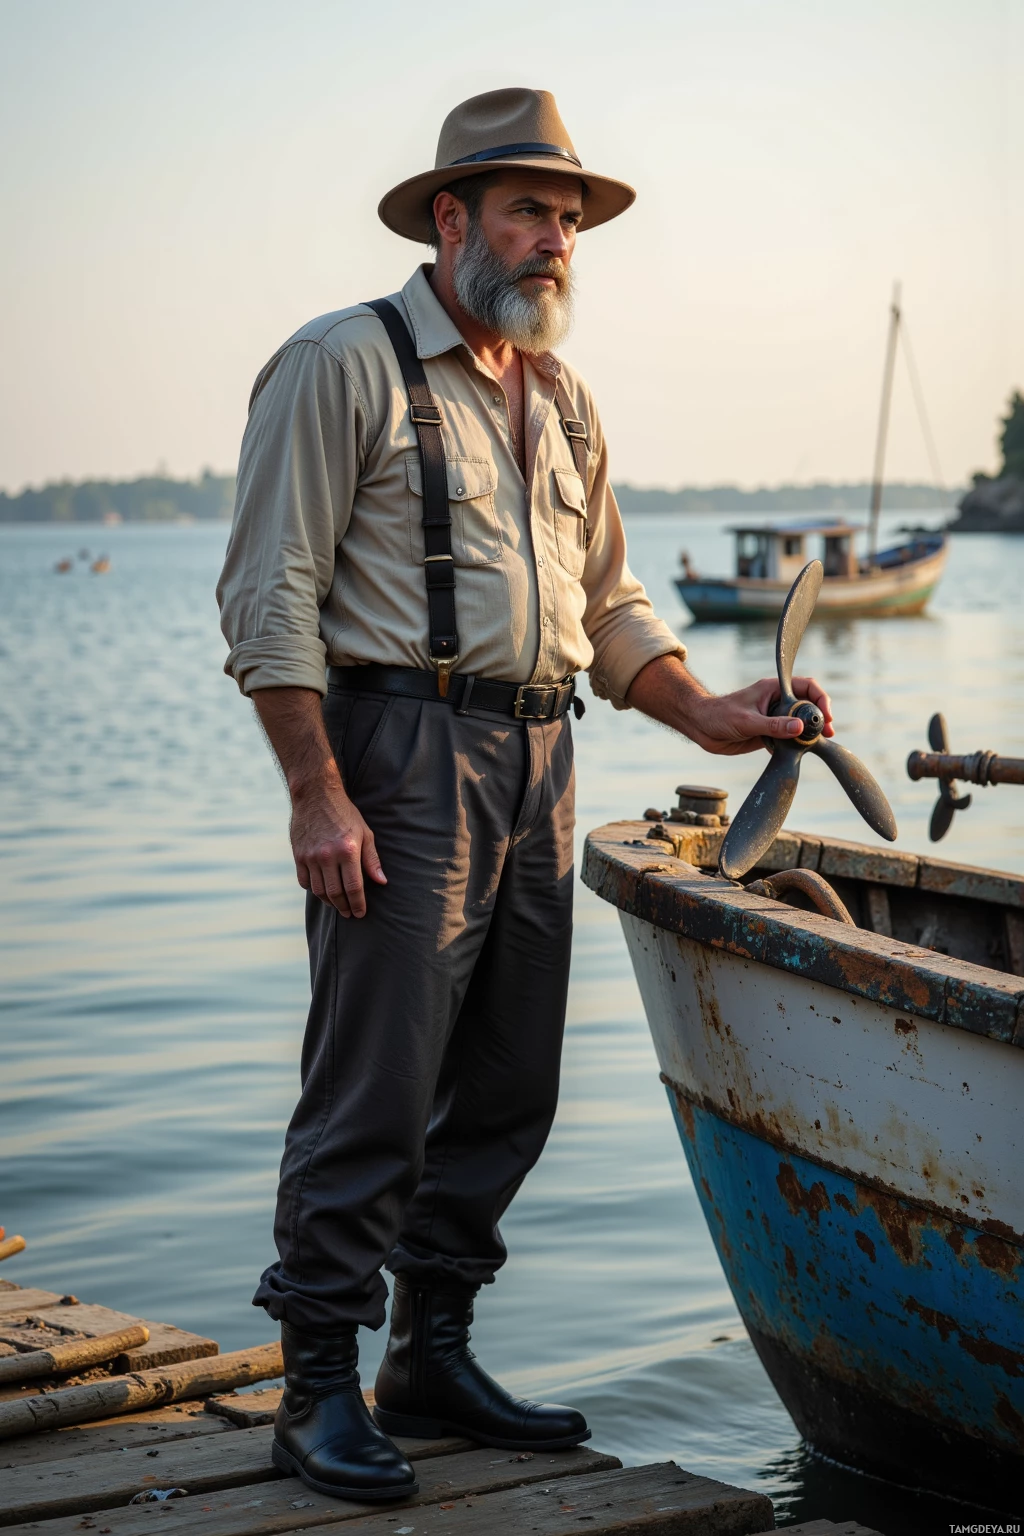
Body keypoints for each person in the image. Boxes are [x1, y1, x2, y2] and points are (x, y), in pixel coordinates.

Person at [217, 86, 832, 1504]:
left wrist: (716, 713)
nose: (557, 240)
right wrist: (317, 796)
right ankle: (314, 1391)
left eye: (570, 218)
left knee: (507, 1087)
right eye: (529, 212)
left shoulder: (561, 396)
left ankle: (430, 1354)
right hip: (396, 757)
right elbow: (271, 600)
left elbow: (610, 609)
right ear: (452, 220)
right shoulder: (341, 363)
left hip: (544, 762)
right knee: (373, 1085)